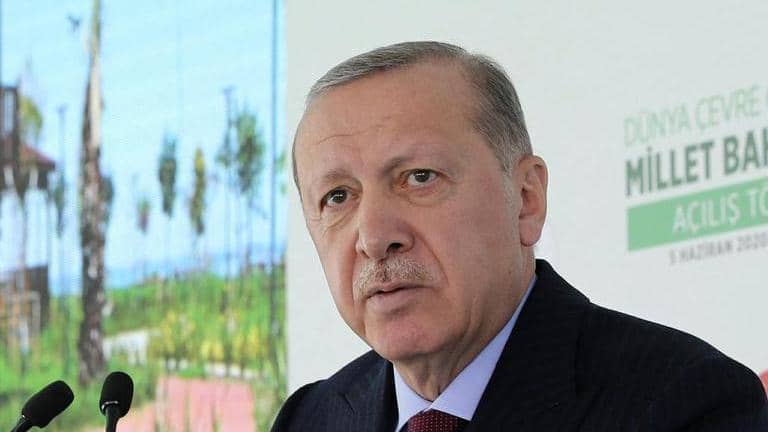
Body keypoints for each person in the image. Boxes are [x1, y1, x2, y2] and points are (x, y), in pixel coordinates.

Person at [273, 41, 768, 431]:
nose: (374, 237)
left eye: (419, 177)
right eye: (337, 196)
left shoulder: (685, 403)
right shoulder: (308, 419)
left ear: (527, 198)